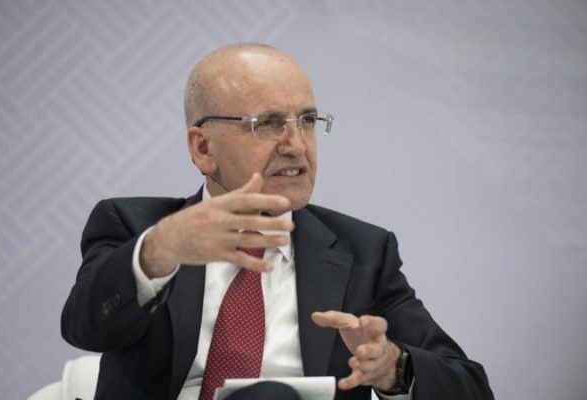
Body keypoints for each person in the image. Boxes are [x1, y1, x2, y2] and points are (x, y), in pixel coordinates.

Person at [61, 43, 494, 400]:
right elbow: (85, 328)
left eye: (307, 121)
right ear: (203, 148)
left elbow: (469, 386)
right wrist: (158, 249)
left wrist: (392, 367)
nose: (296, 145)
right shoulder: (135, 226)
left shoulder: (363, 251)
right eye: (267, 123)